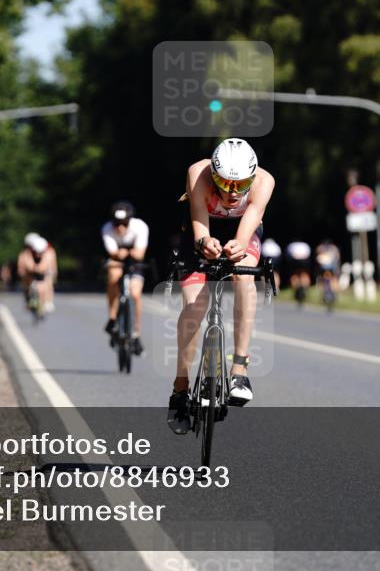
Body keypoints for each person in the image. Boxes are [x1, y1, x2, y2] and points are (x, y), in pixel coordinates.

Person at [168, 138, 275, 434]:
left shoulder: (264, 181)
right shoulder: (198, 173)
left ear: (251, 178)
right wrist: (205, 243)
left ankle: (239, 370)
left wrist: (236, 249)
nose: (231, 191)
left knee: (244, 276)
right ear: (213, 174)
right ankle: (180, 387)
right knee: (195, 305)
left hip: (240, 229)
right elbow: (200, 229)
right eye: (224, 183)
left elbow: (245, 234)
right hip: (201, 227)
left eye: (240, 184)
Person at [101, 201, 149, 354]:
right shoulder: (107, 229)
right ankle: (113, 318)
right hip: (117, 260)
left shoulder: (140, 226)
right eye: (117, 224)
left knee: (135, 294)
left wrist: (131, 253)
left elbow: (140, 252)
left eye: (124, 224)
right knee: (113, 277)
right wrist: (118, 254)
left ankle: (136, 333)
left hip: (135, 262)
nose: (120, 227)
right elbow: (112, 251)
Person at [314, 239, 341, 306]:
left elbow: (317, 257)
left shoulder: (320, 247)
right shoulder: (334, 248)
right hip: (332, 268)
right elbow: (338, 258)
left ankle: (323, 293)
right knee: (334, 279)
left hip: (323, 268)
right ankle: (335, 294)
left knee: (321, 279)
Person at [285, 240, 311, 306]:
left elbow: (288, 255)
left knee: (294, 274)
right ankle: (305, 288)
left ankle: (296, 288)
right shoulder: (305, 244)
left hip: (295, 260)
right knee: (304, 273)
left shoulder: (291, 244)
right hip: (304, 259)